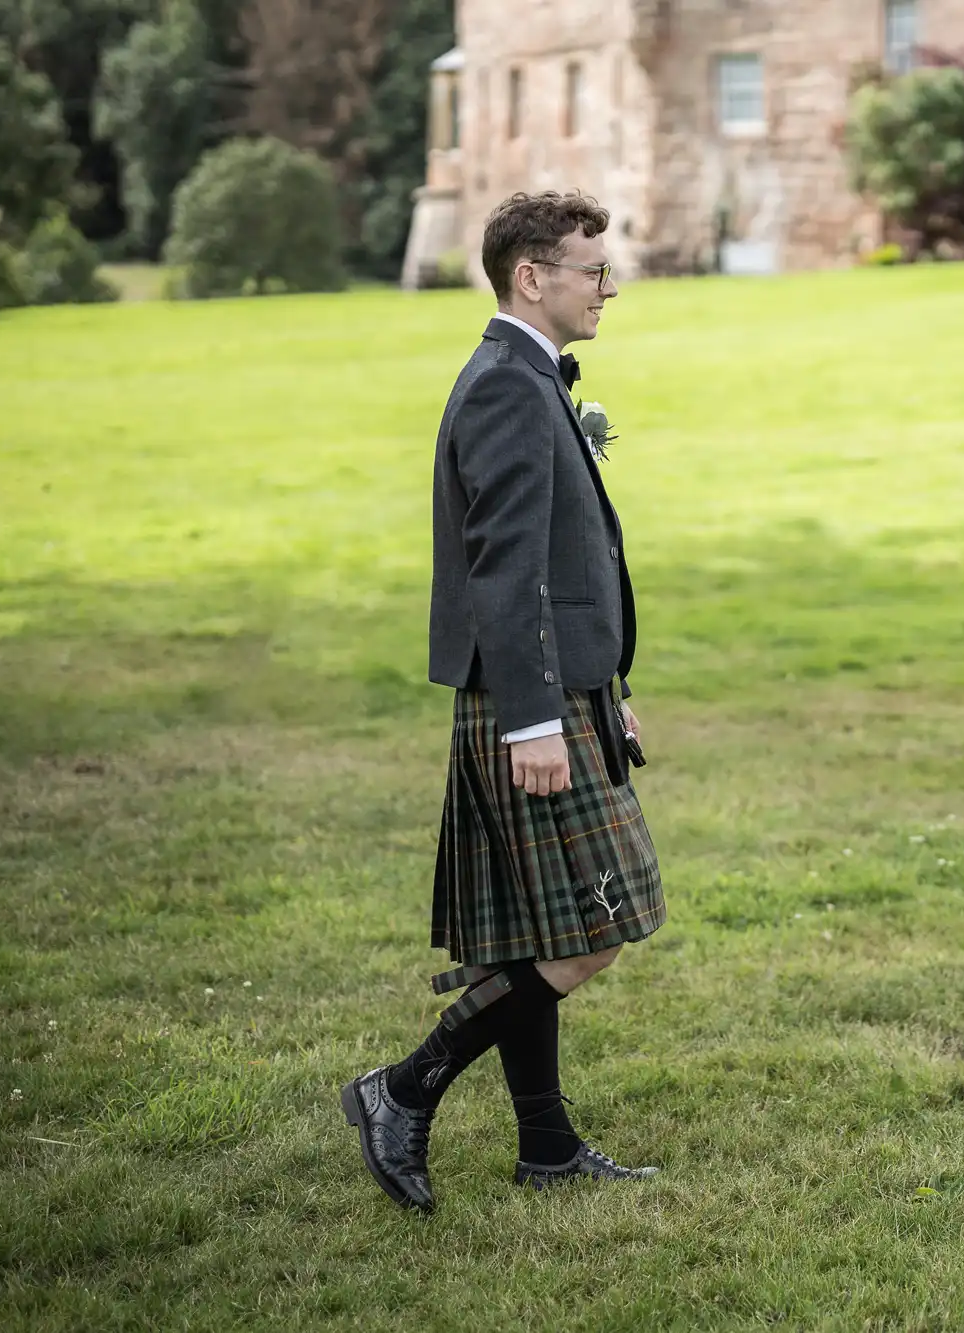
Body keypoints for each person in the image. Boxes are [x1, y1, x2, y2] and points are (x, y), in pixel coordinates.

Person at [341, 191, 664, 1213]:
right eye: (590, 269)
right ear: (533, 276)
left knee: (534, 928)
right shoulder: (505, 389)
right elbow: (504, 566)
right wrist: (534, 717)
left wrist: (605, 694)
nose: (604, 287)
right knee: (604, 920)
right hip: (522, 701)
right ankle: (400, 1088)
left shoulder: (526, 380)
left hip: (564, 687)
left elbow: (567, 566)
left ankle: (547, 1145)